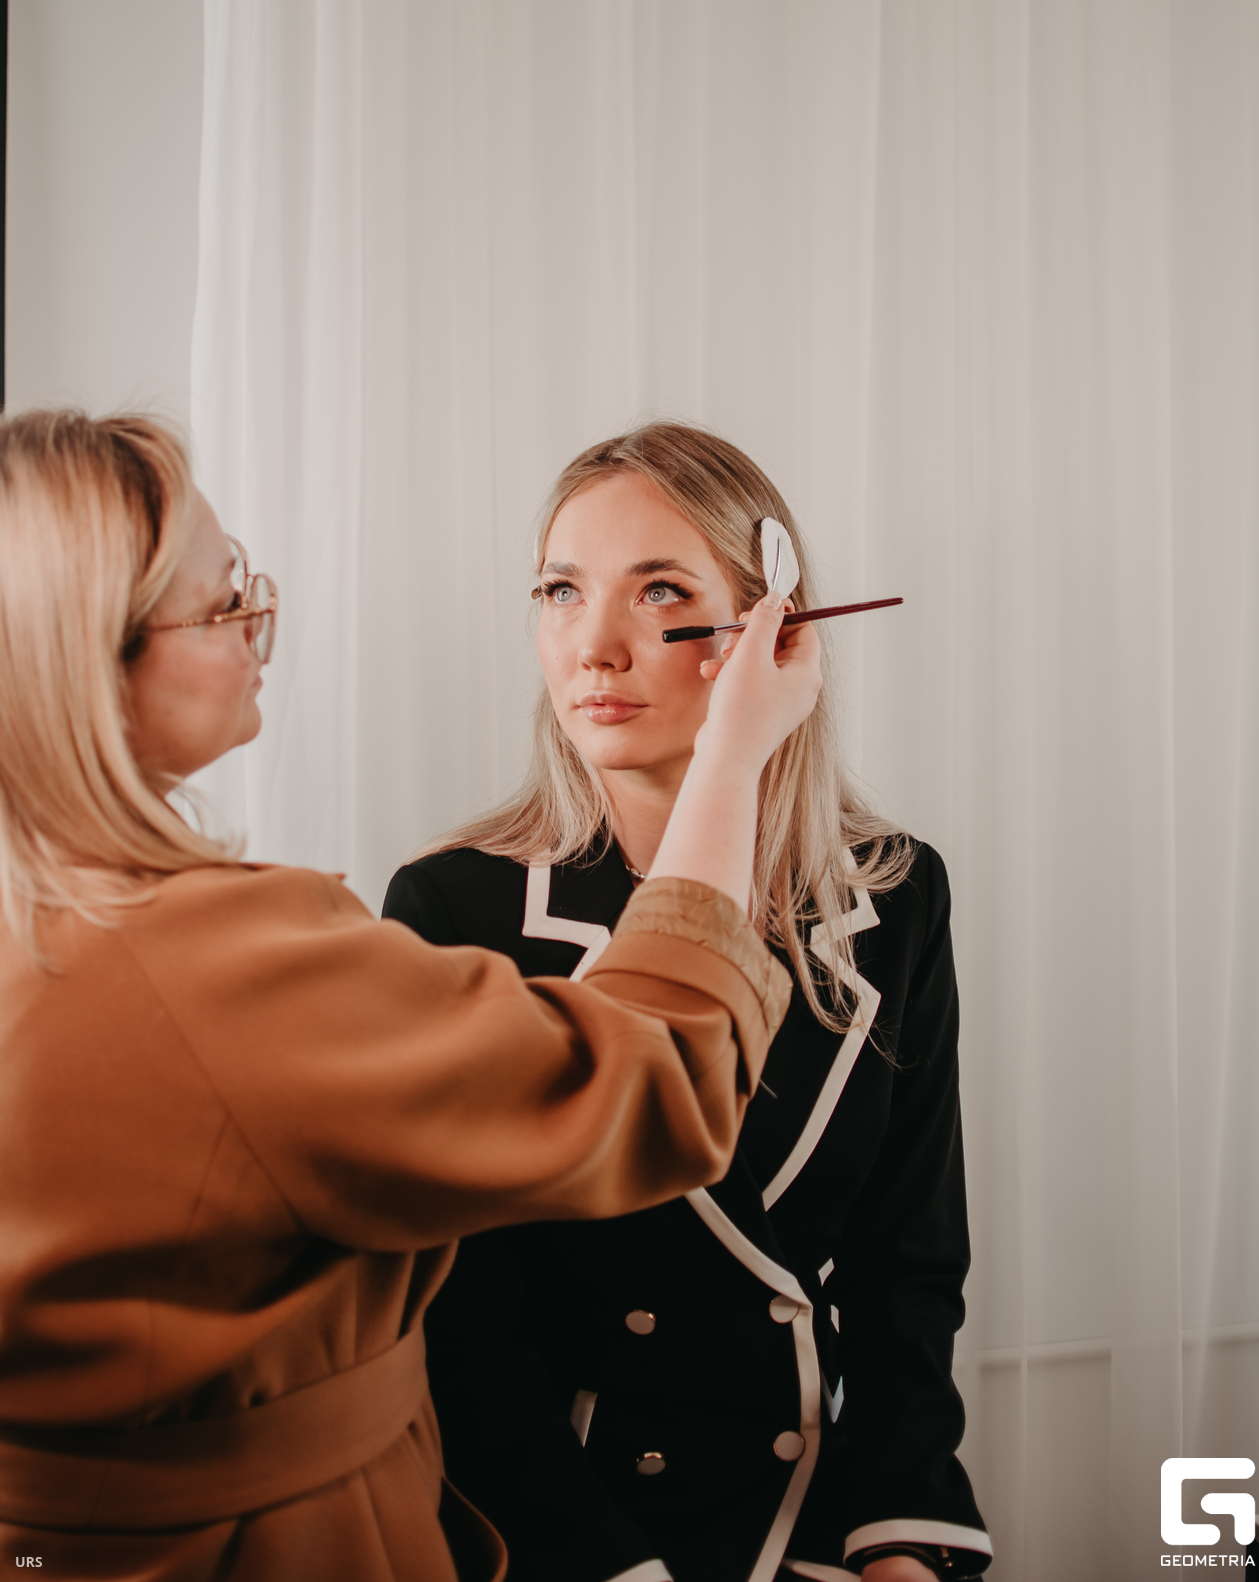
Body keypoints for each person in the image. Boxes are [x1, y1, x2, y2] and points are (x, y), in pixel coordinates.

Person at [0, 408, 821, 1581]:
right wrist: (732, 759)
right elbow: (659, 1079)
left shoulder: (58, 920)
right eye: (223, 602)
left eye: (657, 591)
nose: (261, 622)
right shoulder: (258, 952)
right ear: (85, 652)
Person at [384, 423, 992, 1582]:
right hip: (575, 1533)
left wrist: (901, 1543)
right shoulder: (452, 906)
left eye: (659, 590)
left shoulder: (896, 895)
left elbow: (906, 1272)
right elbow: (460, 1332)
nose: (594, 646)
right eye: (561, 591)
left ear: (775, 632)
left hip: (813, 1518)